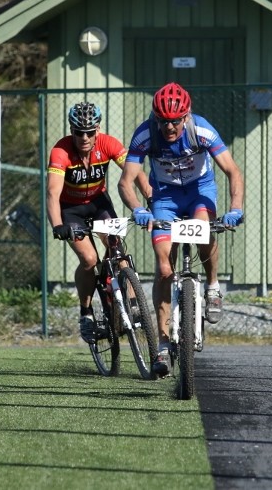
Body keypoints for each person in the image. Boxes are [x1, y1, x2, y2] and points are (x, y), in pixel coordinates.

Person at [117, 82, 244, 377]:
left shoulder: (201, 129)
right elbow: (125, 182)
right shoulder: (145, 134)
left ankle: (212, 287)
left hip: (200, 192)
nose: (169, 127)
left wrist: (235, 208)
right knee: (164, 269)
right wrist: (138, 208)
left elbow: (232, 170)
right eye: (163, 121)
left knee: (204, 229)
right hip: (166, 198)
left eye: (175, 121)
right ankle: (162, 344)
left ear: (186, 116)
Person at [47, 101, 150, 345]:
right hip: (70, 209)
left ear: (98, 130)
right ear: (71, 130)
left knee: (117, 251)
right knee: (89, 259)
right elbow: (52, 192)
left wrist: (151, 199)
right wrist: (57, 225)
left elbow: (135, 173)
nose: (84, 137)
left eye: (89, 132)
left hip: (98, 203)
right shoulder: (61, 151)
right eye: (78, 132)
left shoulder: (108, 143)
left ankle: (132, 305)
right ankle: (86, 311)